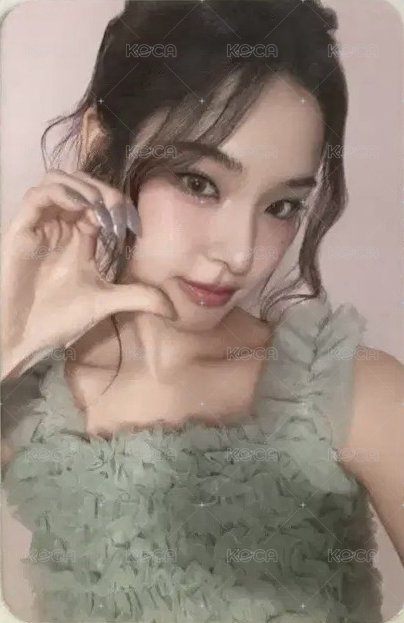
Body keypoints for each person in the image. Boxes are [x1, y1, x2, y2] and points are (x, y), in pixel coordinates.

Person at [1, 1, 403, 621]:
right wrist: (7, 339)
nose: (240, 255)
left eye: (282, 206)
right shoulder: (21, 401)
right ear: (101, 142)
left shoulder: (355, 391)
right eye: (199, 183)